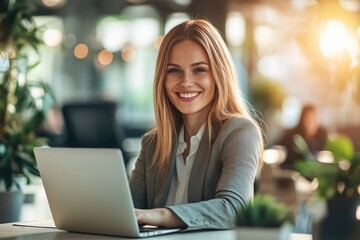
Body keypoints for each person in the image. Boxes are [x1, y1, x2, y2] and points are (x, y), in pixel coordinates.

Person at [129, 19, 264, 230]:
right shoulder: (153, 143)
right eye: (174, 70)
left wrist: (161, 215)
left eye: (199, 70)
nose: (186, 82)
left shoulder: (239, 133)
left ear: (219, 74)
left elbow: (235, 209)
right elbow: (127, 210)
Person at [278, 104, 328, 169]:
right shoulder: (292, 135)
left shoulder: (322, 135)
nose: (310, 122)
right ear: (302, 118)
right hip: (294, 171)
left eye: (313, 118)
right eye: (307, 118)